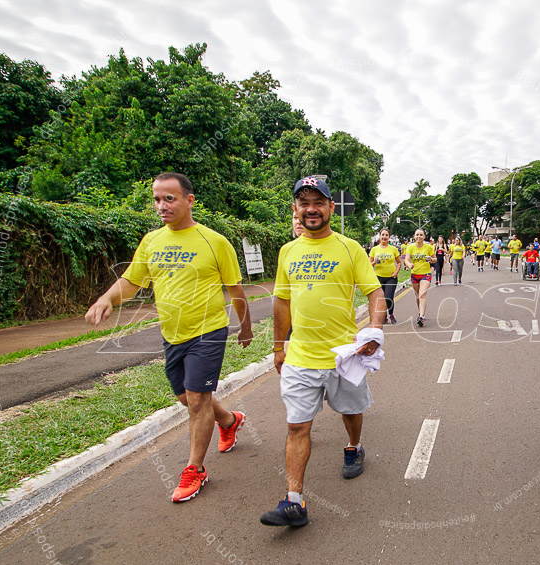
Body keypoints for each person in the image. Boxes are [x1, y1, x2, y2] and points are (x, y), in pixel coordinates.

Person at [85, 173, 252, 503]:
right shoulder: (151, 241)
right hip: (172, 335)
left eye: (169, 199)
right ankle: (230, 420)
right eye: (157, 199)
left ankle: (194, 470)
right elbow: (132, 281)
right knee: (185, 397)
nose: (162, 206)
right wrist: (107, 298)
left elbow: (235, 289)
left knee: (198, 400)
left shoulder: (215, 242)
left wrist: (245, 327)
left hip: (208, 331)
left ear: (189, 200)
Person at [261, 176, 386, 527]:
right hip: (301, 356)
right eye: (304, 202)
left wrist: (374, 329)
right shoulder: (288, 251)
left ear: (331, 207)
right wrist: (278, 346)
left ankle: (353, 446)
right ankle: (294, 500)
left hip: (344, 356)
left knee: (351, 411)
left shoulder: (350, 248)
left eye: (318, 202)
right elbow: (282, 301)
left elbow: (375, 294)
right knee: (297, 427)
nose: (311, 208)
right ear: (295, 209)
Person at [404, 228, 435, 327]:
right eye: (417, 235)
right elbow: (406, 260)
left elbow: (435, 259)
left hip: (425, 274)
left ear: (424, 237)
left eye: (421, 235)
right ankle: (420, 312)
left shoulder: (428, 247)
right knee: (417, 295)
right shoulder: (410, 247)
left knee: (422, 295)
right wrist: (409, 265)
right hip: (414, 274)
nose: (419, 237)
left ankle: (421, 316)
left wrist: (431, 259)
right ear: (414, 236)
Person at [369, 228, 401, 324]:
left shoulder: (393, 249)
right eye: (383, 235)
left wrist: (396, 272)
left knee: (388, 297)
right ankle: (384, 317)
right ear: (380, 236)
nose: (384, 237)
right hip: (379, 277)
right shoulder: (374, 249)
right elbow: (369, 264)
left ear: (389, 237)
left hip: (391, 277)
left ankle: (391, 314)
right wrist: (374, 262)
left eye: (386, 235)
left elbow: (399, 262)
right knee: (381, 299)